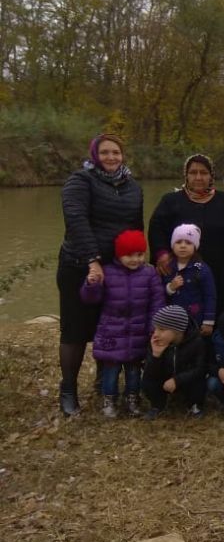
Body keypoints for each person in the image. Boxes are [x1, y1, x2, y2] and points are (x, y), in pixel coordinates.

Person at [57, 133, 144, 416]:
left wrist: (139, 260)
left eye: (116, 152)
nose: (110, 157)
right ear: (95, 155)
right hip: (78, 266)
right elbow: (76, 220)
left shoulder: (133, 186)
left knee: (109, 325)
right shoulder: (80, 181)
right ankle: (68, 390)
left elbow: (135, 227)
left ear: (123, 155)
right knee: (75, 330)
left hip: (118, 268)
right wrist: (92, 261)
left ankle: (102, 382)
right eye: (105, 152)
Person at [148, 153, 224, 319]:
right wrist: (161, 254)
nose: (198, 177)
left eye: (204, 173)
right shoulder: (170, 201)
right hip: (181, 273)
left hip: (221, 272)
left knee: (221, 318)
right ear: (186, 175)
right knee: (180, 320)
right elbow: (156, 229)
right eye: (193, 172)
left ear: (211, 176)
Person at [79, 229, 164, 418]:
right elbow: (91, 299)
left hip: (138, 330)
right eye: (129, 255)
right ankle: (109, 400)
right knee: (111, 370)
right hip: (111, 331)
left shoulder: (150, 274)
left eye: (140, 255)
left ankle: (132, 398)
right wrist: (91, 284)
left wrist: (154, 326)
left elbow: (157, 302)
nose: (135, 259)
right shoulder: (107, 272)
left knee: (134, 370)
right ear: (119, 254)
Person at [141, 305, 207, 419]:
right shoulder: (155, 342)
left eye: (161, 329)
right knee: (147, 380)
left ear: (178, 331)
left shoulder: (197, 342)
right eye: (155, 328)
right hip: (164, 379)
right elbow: (149, 372)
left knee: (198, 381)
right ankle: (157, 405)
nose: (156, 334)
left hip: (185, 380)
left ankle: (194, 405)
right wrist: (156, 355)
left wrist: (177, 380)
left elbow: (200, 369)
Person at [163, 223, 217, 336]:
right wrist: (170, 287)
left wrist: (208, 322)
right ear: (173, 245)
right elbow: (159, 293)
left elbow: (210, 296)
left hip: (195, 319)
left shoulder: (202, 269)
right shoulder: (167, 267)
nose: (183, 246)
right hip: (171, 319)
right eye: (178, 242)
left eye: (188, 243)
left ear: (195, 246)